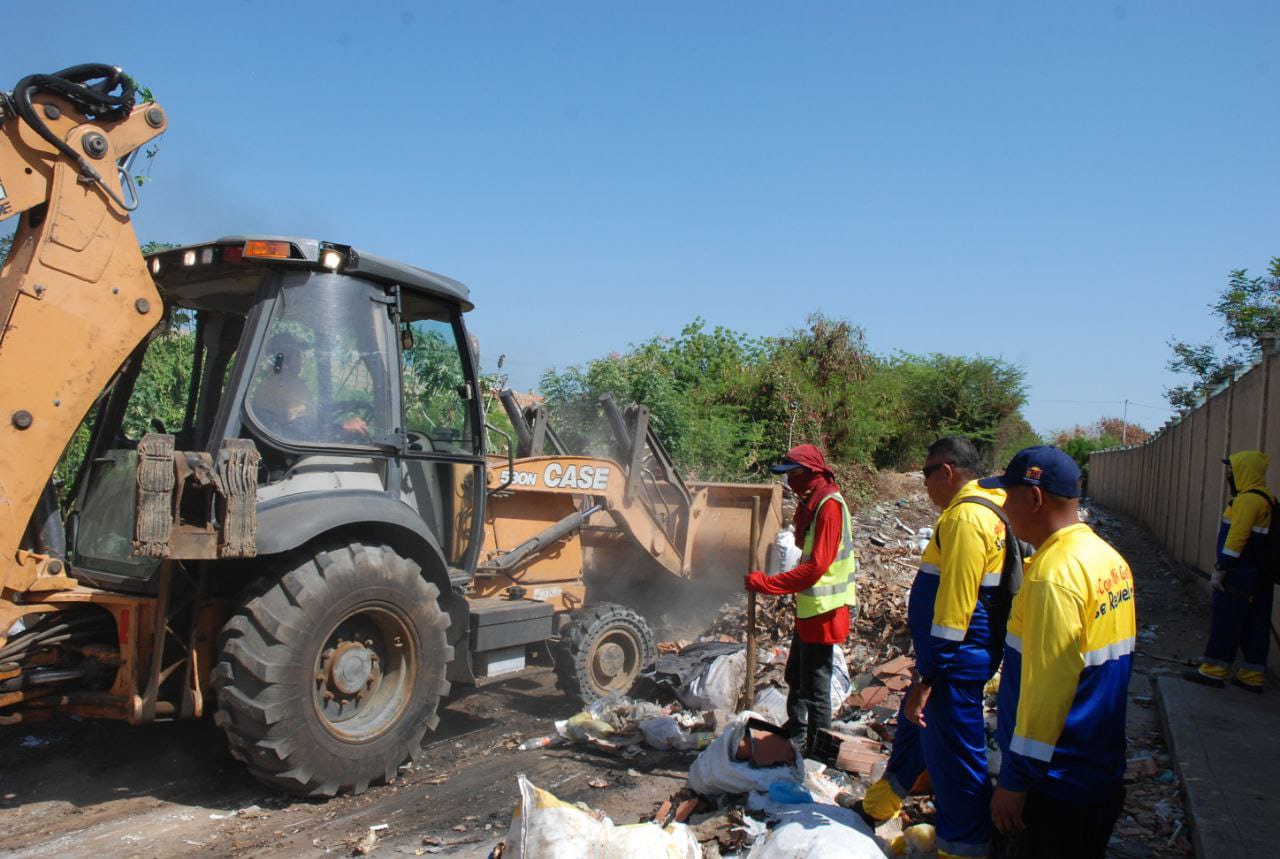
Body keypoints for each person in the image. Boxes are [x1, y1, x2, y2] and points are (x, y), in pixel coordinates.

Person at [982, 446, 1134, 858]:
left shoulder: (1054, 577)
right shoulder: (1108, 559)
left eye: (1008, 496)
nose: (1003, 509)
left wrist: (1015, 781)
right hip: (1097, 770)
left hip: (1055, 783)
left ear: (1034, 497)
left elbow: (1046, 694)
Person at [861, 436, 1008, 859]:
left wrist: (930, 675)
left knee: (955, 759)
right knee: (915, 728)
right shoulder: (990, 506)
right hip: (946, 658)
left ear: (947, 471)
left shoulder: (966, 518)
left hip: (953, 661)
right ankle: (879, 805)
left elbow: (954, 609)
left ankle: (963, 847)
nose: (924, 485)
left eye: (927, 474)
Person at [745, 444, 857, 756]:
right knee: (795, 674)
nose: (789, 482)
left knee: (816, 687)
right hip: (810, 607)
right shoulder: (812, 501)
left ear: (811, 473)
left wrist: (768, 584)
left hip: (825, 609)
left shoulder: (829, 506)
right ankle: (795, 732)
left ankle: (819, 753)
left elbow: (816, 566)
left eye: (793, 474)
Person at [1186, 450, 1274, 692]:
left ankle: (1213, 671)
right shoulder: (1268, 499)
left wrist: (1221, 568)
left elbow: (1237, 538)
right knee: (1256, 625)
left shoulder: (1247, 501)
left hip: (1239, 575)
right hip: (1261, 576)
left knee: (1227, 622)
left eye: (1232, 471)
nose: (1229, 476)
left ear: (1245, 472)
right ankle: (1252, 676)